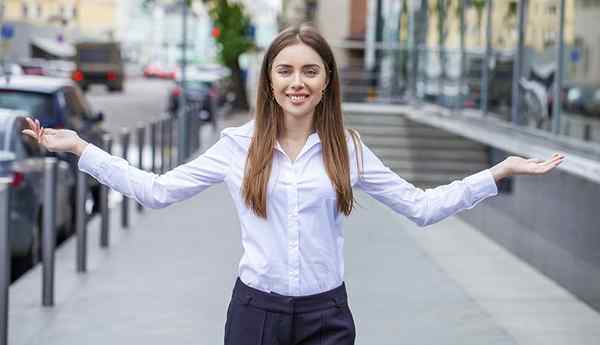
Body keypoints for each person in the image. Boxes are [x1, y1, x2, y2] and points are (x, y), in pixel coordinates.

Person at [23, 25, 564, 345]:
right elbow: (158, 190)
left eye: (309, 71)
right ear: (270, 81)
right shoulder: (238, 145)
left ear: (327, 80)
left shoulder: (348, 150)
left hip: (327, 316)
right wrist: (80, 149)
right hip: (254, 314)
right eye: (285, 71)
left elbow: (420, 207)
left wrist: (498, 173)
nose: (296, 82)